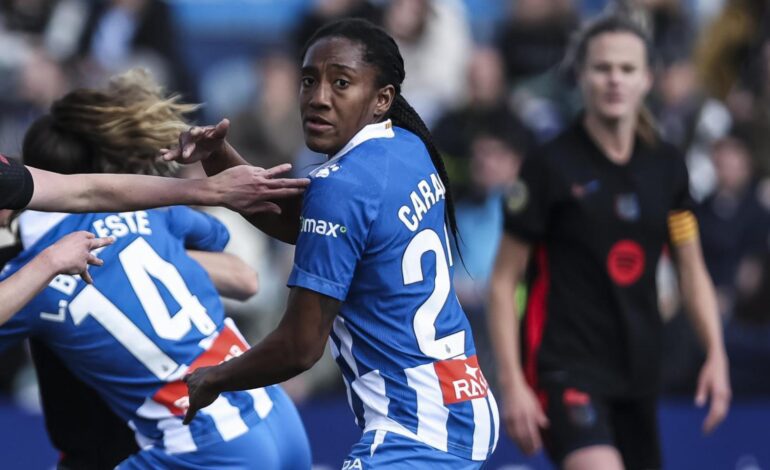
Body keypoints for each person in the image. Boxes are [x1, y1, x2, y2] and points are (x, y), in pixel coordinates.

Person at [171, 18, 499, 469]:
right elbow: (307, 227)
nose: (318, 98)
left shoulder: (340, 187)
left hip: (414, 427)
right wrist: (219, 159)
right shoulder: (407, 147)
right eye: (309, 80)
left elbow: (300, 347)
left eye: (340, 82)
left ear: (383, 98)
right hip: (465, 400)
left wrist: (213, 379)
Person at [2, 69, 312, 470]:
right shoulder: (152, 213)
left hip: (202, 440)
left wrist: (53, 265)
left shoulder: (32, 276)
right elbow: (236, 264)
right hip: (276, 413)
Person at [487, 15, 731, 470]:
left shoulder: (667, 166)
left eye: (626, 68)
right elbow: (502, 282)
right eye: (602, 68)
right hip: (565, 369)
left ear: (647, 79)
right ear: (580, 76)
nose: (614, 80)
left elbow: (691, 270)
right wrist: (512, 382)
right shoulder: (549, 165)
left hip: (638, 373)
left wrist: (716, 355)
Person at [0, 132, 307, 326]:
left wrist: (210, 190)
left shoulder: (32, 256)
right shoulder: (43, 258)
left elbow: (85, 190)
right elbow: (243, 276)